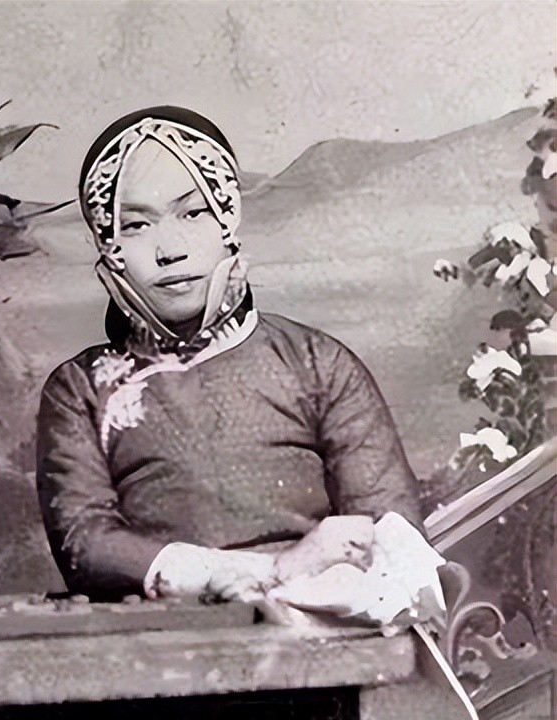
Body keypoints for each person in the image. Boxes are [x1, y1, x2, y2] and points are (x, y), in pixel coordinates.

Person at [38, 106, 445, 628]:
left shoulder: (315, 363)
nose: (170, 250)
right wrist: (260, 570)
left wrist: (293, 583)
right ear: (107, 245)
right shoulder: (80, 390)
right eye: (136, 225)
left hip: (322, 638)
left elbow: (391, 535)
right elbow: (87, 545)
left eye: (193, 213)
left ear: (227, 218)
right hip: (161, 645)